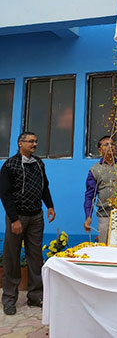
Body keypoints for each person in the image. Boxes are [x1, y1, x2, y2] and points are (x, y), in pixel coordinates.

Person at [0, 132, 55, 316]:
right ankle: (9, 299)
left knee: (35, 257)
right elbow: (5, 194)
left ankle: (35, 296)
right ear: (20, 143)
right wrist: (14, 219)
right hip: (18, 218)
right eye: (31, 141)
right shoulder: (10, 165)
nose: (34, 144)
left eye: (36, 141)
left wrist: (50, 206)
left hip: (36, 217)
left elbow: (44, 186)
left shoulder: (38, 163)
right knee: (12, 259)